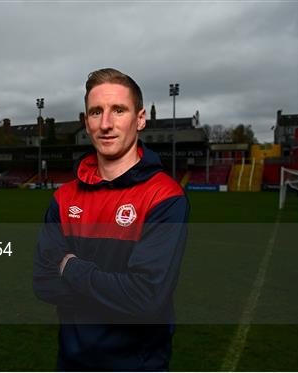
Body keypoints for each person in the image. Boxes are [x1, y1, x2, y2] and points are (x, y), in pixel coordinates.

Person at [33, 68, 189, 371]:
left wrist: (71, 266)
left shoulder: (165, 197)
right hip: (71, 362)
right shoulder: (63, 198)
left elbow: (146, 299)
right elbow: (43, 283)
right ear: (86, 121)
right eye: (96, 112)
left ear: (140, 118)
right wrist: (116, 289)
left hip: (138, 365)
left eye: (118, 110)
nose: (106, 124)